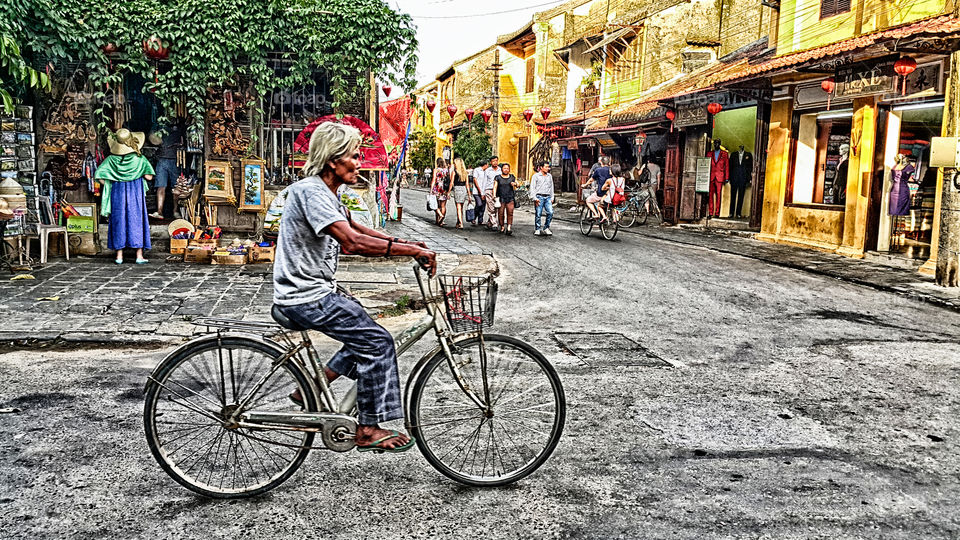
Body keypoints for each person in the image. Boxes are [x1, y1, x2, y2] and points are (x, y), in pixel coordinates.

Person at [273, 121, 437, 453]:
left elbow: (360, 228)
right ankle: (368, 429)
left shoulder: (327, 194)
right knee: (378, 341)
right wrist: (411, 251)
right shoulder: (311, 192)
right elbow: (351, 242)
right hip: (304, 296)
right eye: (353, 155)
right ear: (333, 160)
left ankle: (312, 388)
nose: (359, 162)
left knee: (364, 327)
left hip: (314, 291)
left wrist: (409, 243)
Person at [96, 129, 155, 264]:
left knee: (118, 220)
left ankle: (119, 256)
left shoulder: (111, 160)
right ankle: (139, 256)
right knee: (137, 220)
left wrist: (111, 182)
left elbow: (99, 176)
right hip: (135, 192)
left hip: (118, 192)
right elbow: (149, 177)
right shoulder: (139, 158)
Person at [148, 122, 182, 220]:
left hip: (176, 160)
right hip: (162, 159)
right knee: (160, 186)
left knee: (176, 187)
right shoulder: (159, 124)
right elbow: (152, 137)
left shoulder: (180, 123)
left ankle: (176, 211)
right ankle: (159, 211)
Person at [583, 155, 611, 222]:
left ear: (601, 163)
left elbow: (591, 179)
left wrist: (585, 185)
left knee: (588, 200)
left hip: (601, 193)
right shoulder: (612, 170)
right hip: (610, 193)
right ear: (609, 163)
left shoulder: (598, 170)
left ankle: (596, 214)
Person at [530, 161, 554, 236]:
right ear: (541, 167)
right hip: (539, 196)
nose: (548, 168)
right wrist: (534, 198)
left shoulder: (549, 176)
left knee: (550, 212)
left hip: (547, 197)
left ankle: (546, 227)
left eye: (548, 167)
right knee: (538, 213)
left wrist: (552, 196)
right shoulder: (536, 176)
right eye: (546, 167)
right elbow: (532, 187)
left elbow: (551, 187)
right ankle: (537, 228)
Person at [494, 163, 518, 235]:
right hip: (500, 198)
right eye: (504, 168)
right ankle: (502, 226)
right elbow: (495, 187)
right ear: (501, 169)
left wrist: (515, 184)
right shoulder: (497, 177)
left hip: (510, 197)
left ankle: (509, 227)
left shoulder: (512, 177)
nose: (506, 170)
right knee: (501, 213)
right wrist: (494, 195)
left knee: (510, 212)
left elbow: (518, 184)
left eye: (507, 168)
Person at [482, 156, 501, 230]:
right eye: (493, 161)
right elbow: (484, 182)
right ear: (491, 162)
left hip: (498, 190)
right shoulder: (488, 170)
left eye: (496, 161)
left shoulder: (500, 170)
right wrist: (483, 193)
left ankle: (490, 222)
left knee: (496, 206)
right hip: (489, 189)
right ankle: (494, 223)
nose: (495, 162)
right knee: (490, 207)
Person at [451, 157, 469, 229]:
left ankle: (461, 223)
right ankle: (458, 222)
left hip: (457, 188)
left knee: (458, 207)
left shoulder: (454, 172)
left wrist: (449, 191)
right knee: (461, 207)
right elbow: (467, 184)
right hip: (464, 189)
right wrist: (469, 195)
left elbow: (451, 183)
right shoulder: (465, 173)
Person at [431, 157, 450, 226]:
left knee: (436, 205)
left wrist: (431, 189)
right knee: (443, 206)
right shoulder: (446, 170)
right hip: (444, 188)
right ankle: (441, 221)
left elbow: (434, 179)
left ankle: (439, 217)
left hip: (437, 188)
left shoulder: (436, 170)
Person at [471, 160, 489, 226]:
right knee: (479, 204)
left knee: (483, 206)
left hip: (484, 191)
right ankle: (473, 217)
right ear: (485, 164)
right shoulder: (477, 170)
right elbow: (475, 180)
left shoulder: (487, 171)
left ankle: (480, 220)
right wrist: (479, 190)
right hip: (477, 191)